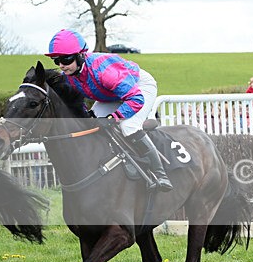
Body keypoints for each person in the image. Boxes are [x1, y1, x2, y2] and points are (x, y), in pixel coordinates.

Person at [45, 29, 173, 191]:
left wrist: (114, 117)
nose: (61, 65)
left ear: (80, 55)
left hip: (138, 87)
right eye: (57, 60)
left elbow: (136, 99)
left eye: (66, 59)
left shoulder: (104, 71)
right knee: (91, 124)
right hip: (112, 94)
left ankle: (160, 174)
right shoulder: (70, 76)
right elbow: (79, 103)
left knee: (128, 126)